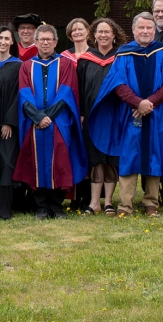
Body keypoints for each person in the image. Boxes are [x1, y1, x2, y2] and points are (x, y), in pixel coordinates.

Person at [87, 13, 163, 218]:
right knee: (129, 157)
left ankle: (151, 203)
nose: (145, 31)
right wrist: (137, 103)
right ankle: (125, 205)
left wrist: (150, 103)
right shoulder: (124, 53)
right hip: (130, 114)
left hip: (158, 114)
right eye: (141, 28)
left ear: (154, 30)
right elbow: (117, 84)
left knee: (155, 155)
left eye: (149, 28)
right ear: (133, 30)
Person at [13, 25, 86, 219]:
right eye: (42, 39)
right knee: (35, 162)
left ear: (55, 42)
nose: (45, 43)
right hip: (34, 123)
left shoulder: (66, 64)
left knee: (60, 162)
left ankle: (56, 205)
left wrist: (48, 117)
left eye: (49, 39)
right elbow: (23, 93)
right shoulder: (27, 66)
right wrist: (37, 117)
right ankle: (41, 206)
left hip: (58, 122)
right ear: (36, 43)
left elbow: (66, 92)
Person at [78, 18, 125, 215]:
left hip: (115, 114)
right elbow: (78, 89)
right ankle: (94, 202)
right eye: (100, 32)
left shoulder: (122, 57)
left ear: (115, 35)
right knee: (95, 157)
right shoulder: (86, 59)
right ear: (94, 35)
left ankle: (108, 202)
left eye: (107, 32)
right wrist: (80, 114)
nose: (104, 35)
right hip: (91, 116)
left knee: (112, 157)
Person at [0, 25, 22, 219]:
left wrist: (9, 122)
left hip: (8, 125)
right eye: (0, 38)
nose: (3, 42)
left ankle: (4, 210)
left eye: (7, 38)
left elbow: (19, 95)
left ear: (12, 42)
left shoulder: (18, 65)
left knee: (6, 164)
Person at [62, 17, 91, 210]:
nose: (77, 32)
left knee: (87, 153)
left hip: (88, 110)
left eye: (80, 29)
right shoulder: (64, 57)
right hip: (69, 111)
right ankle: (73, 197)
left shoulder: (96, 56)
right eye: (73, 30)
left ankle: (87, 197)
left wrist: (83, 112)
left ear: (88, 31)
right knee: (72, 152)